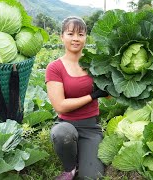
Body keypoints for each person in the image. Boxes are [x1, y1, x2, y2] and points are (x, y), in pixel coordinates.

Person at [45, 16, 109, 180]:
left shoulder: (94, 64)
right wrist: (93, 96)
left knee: (92, 177)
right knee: (62, 133)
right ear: (62, 36)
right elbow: (60, 106)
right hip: (66, 125)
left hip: (91, 128)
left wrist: (112, 83)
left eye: (81, 34)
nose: (76, 38)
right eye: (70, 33)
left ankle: (84, 157)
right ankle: (70, 168)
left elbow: (108, 96)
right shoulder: (54, 67)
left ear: (85, 38)